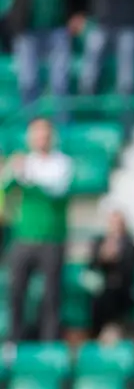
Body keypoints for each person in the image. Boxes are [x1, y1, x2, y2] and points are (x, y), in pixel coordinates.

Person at [0, 118, 73, 342]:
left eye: (45, 134)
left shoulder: (62, 163)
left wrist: (27, 176)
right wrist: (11, 171)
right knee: (16, 293)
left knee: (51, 296)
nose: (41, 139)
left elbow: (55, 190)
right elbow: (5, 187)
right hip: (24, 238)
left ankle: (49, 342)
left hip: (51, 239)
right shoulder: (23, 163)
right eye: (36, 135)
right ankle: (14, 341)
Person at [0, 0, 87, 117]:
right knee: (28, 81)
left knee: (60, 83)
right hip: (27, 30)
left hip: (59, 30)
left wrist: (79, 13)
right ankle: (31, 123)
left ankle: (62, 125)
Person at [85, 209, 134, 341]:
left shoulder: (130, 245)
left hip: (122, 292)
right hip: (101, 293)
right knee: (100, 295)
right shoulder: (99, 242)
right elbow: (91, 267)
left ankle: (111, 330)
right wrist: (102, 257)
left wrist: (118, 257)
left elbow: (129, 271)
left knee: (113, 291)